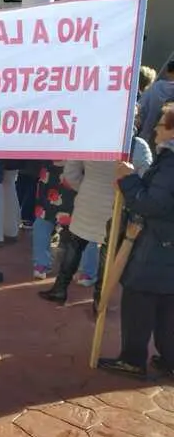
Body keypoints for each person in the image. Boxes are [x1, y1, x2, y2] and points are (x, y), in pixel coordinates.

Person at [99, 105, 174, 377]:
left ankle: (132, 359)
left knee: (139, 301)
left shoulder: (170, 163)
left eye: (162, 125)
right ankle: (169, 359)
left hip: (158, 246)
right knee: (167, 306)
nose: (155, 128)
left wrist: (128, 180)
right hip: (166, 247)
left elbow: (153, 204)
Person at [39, 141, 152, 305]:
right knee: (108, 252)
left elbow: (70, 173)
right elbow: (146, 179)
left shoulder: (92, 139)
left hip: (88, 199)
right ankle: (100, 299)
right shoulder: (138, 146)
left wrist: (85, 187)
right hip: (118, 203)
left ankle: (60, 288)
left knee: (74, 244)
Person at [138, 58, 174, 150]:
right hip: (166, 140)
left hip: (143, 134)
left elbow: (141, 108)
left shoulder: (155, 88)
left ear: (168, 73)